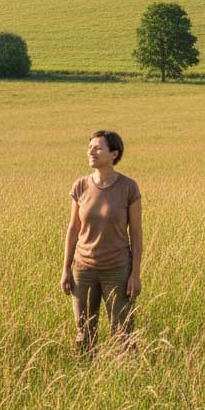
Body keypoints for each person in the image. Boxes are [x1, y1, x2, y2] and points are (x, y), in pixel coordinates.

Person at [60, 130, 143, 356]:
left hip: (117, 270)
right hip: (83, 269)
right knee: (84, 331)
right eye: (90, 147)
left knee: (123, 332)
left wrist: (135, 274)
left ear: (114, 154)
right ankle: (86, 375)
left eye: (98, 148)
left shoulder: (128, 188)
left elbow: (136, 233)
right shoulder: (80, 186)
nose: (91, 152)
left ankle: (126, 377)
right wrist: (65, 269)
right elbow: (73, 229)